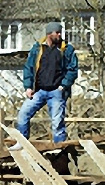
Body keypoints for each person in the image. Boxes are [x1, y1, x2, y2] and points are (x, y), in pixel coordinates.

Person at [9, 22, 78, 150]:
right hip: (38, 90)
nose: (59, 35)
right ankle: (21, 142)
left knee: (57, 122)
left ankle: (59, 147)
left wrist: (63, 85)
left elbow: (73, 70)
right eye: (57, 32)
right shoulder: (37, 48)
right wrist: (28, 87)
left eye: (59, 32)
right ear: (49, 34)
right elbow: (29, 67)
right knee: (23, 114)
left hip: (57, 91)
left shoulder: (66, 49)